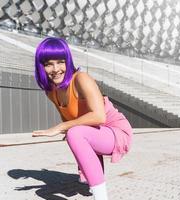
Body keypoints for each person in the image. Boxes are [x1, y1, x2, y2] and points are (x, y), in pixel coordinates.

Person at [32, 37, 133, 200]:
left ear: (68, 61)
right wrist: (67, 129)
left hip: (116, 131)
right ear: (41, 66)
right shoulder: (51, 91)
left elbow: (99, 116)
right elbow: (71, 118)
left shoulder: (81, 79)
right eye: (48, 64)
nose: (55, 69)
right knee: (73, 133)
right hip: (97, 132)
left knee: (75, 133)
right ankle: (92, 179)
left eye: (60, 62)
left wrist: (60, 127)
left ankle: (101, 197)